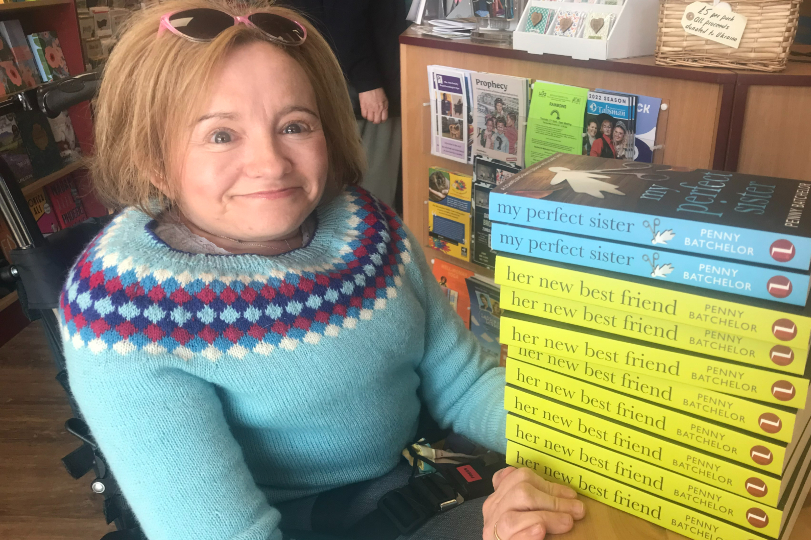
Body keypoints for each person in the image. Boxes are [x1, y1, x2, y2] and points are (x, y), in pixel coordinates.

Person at [62, 3, 585, 540]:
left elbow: (464, 381)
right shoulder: (121, 311)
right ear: (153, 159)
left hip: (408, 489)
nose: (270, 162)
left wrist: (592, 443)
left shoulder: (367, 227)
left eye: (294, 125)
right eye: (221, 135)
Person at [282, 0, 408, 209]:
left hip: (353, 77)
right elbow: (344, 17)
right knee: (373, 182)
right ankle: (371, 237)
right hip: (364, 85)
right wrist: (368, 82)